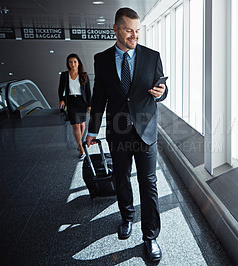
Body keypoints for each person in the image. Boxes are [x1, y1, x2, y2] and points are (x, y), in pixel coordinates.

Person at [85, 7, 168, 262]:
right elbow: (99, 98)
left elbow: (162, 89)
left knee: (149, 182)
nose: (135, 36)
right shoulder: (102, 59)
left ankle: (150, 236)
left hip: (146, 130)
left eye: (138, 31)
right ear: (116, 30)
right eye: (129, 31)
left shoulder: (152, 56)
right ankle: (127, 216)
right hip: (118, 131)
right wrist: (91, 130)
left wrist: (162, 92)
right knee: (121, 178)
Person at [58, 53, 91, 158]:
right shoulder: (64, 75)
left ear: (78, 63)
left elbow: (88, 92)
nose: (73, 64)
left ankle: (79, 141)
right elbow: (60, 89)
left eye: (75, 62)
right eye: (70, 62)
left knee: (81, 124)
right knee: (75, 125)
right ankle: (80, 147)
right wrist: (62, 99)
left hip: (82, 102)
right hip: (71, 102)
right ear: (68, 64)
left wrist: (89, 105)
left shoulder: (84, 75)